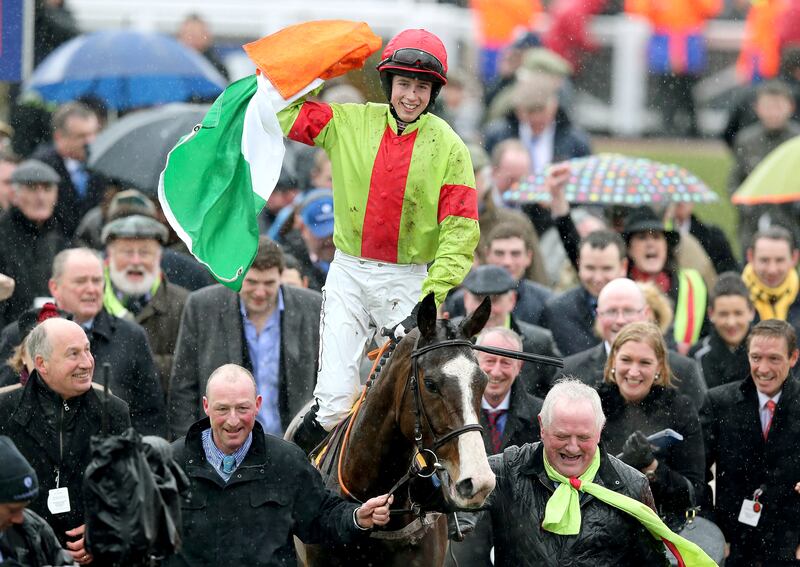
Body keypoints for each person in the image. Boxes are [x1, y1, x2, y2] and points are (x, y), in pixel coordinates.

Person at [281, 29, 480, 452]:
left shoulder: (451, 148)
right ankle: (295, 482)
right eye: (404, 84)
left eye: (421, 87)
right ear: (389, 84)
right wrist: (320, 63)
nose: (411, 96)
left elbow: (460, 234)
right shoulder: (350, 120)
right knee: (334, 402)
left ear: (434, 92)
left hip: (410, 281)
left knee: (411, 407)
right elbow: (286, 114)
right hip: (350, 274)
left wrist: (428, 300)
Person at [167, 364, 392, 566]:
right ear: (206, 406)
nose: (233, 420)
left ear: (257, 405)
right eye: (222, 409)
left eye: (243, 409)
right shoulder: (171, 462)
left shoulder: (286, 462)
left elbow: (321, 517)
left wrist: (357, 518)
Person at [471, 378, 671, 565]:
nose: (572, 447)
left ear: (600, 430)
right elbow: (451, 498)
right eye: (562, 436)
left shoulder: (632, 486)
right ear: (542, 426)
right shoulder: (507, 470)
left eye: (583, 438)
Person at [0, 318, 131, 562]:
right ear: (42, 363)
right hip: (21, 555)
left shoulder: (113, 412)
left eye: (87, 350)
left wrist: (105, 529)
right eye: (73, 354)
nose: (87, 362)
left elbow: (129, 488)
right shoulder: (5, 412)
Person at [169, 237, 322, 440]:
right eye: (251, 282)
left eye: (269, 283)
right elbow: (183, 385)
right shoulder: (203, 306)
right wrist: (188, 444)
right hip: (220, 441)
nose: (260, 292)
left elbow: (324, 379)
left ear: (281, 275)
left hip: (294, 441)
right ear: (238, 275)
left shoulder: (311, 307)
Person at [0, 248, 165, 435]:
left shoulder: (131, 335)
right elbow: (6, 400)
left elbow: (150, 413)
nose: (91, 289)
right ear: (54, 287)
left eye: (97, 280)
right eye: (80, 281)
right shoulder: (21, 334)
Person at [701, 319, 800, 566]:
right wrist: (711, 530)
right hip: (735, 542)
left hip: (791, 543)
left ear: (793, 358)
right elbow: (697, 473)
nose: (763, 368)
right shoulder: (719, 402)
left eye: (774, 359)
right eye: (756, 357)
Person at [448, 327, 544, 567]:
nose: (496, 371)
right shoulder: (449, 414)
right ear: (474, 360)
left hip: (523, 530)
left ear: (520, 367)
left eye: (506, 362)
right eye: (489, 360)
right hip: (465, 529)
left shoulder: (541, 415)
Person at [599, 322, 705, 527]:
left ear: (659, 367)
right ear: (613, 361)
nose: (633, 371)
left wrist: (651, 467)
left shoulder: (679, 409)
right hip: (600, 527)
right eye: (626, 360)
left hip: (661, 529)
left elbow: (694, 492)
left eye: (645, 363)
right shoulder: (593, 404)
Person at [561, 277, 707, 406]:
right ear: (599, 316)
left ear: (646, 314)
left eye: (628, 311)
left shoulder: (683, 370)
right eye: (611, 311)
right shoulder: (571, 372)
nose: (620, 320)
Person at [101, 211, 189, 393]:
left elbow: (188, 367)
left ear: (159, 258)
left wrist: (130, 363)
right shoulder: (90, 301)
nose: (136, 261)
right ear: (109, 256)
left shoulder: (185, 304)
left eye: (145, 253)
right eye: (127, 252)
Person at [459, 265, 560, 397]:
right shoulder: (447, 337)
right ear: (466, 299)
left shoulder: (539, 342)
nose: (486, 309)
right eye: (479, 299)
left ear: (512, 300)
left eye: (494, 300)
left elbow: (555, 391)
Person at [622, 206, 710, 353]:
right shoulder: (620, 287)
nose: (651, 244)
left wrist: (691, 350)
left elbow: (707, 334)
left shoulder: (692, 283)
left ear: (666, 246)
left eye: (656, 236)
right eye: (642, 237)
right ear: (630, 249)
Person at [729, 80, 800, 253]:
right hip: (754, 220)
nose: (773, 113)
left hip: (792, 219)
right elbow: (734, 181)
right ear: (757, 108)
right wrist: (746, 205)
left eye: (778, 106)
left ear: (790, 107)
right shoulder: (746, 140)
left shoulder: (796, 140)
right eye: (767, 106)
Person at [0, 159, 69, 329]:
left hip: (53, 333)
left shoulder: (61, 235)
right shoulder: (3, 234)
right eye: (32, 188)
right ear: (14, 195)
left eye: (47, 189)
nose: (40, 197)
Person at [544, 230, 629, 356]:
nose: (598, 278)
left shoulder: (643, 306)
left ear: (623, 267)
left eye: (606, 268)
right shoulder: (558, 310)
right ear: (579, 265)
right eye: (590, 268)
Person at [31, 102, 105, 238]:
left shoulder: (103, 166)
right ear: (59, 137)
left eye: (94, 133)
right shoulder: (40, 167)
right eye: (82, 136)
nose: (90, 141)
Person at [0, 435, 73, 566]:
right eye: (12, 510)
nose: (20, 519)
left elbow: (61, 561)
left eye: (23, 508)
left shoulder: (33, 529)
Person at [690, 272, 755, 389]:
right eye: (723, 314)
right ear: (711, 313)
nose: (731, 322)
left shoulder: (768, 353)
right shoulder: (696, 356)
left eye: (738, 313)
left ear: (751, 312)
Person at [742, 226, 800, 339]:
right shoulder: (734, 298)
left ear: (794, 258)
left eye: (779, 260)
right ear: (750, 257)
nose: (772, 270)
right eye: (764, 260)